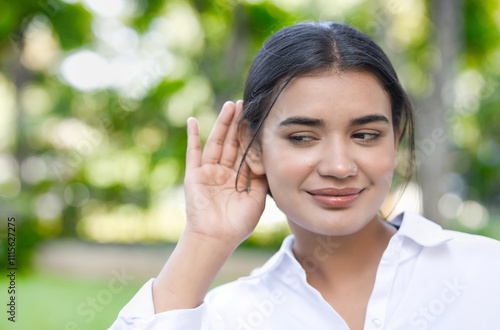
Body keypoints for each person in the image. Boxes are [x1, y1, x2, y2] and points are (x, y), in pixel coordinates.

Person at [110, 21, 500, 330]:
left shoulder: (486, 273)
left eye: (365, 135)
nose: (339, 167)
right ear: (256, 147)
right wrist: (205, 238)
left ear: (395, 140)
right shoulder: (229, 315)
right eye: (302, 137)